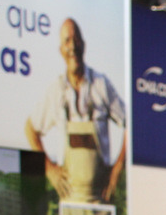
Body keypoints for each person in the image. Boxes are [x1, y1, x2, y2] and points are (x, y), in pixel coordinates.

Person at [24, 18, 126, 205]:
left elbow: (131, 123)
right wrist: (49, 168)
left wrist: (118, 167)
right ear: (60, 50)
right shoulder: (56, 90)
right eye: (67, 41)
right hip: (69, 202)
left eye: (76, 39)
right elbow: (30, 129)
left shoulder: (101, 84)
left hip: (101, 201)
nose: (72, 46)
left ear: (84, 45)